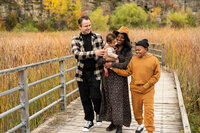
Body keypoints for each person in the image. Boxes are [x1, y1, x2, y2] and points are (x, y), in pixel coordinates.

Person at [110, 39, 161, 133]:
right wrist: (113, 68)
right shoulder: (133, 59)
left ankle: (150, 130)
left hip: (148, 90)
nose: (137, 52)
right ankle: (140, 124)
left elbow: (157, 75)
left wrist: (147, 85)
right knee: (137, 111)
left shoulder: (154, 60)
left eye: (139, 50)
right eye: (136, 50)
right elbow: (127, 72)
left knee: (149, 111)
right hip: (135, 90)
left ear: (146, 49)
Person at [71, 15, 105, 132]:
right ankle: (89, 120)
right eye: (86, 26)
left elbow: (105, 51)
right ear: (79, 27)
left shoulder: (98, 37)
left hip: (96, 72)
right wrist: (95, 53)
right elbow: (77, 54)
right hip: (82, 74)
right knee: (85, 98)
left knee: (96, 95)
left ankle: (98, 113)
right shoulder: (75, 40)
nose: (88, 28)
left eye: (89, 25)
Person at [99, 26, 132, 133]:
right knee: (109, 99)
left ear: (126, 39)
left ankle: (119, 125)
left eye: (122, 37)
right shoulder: (110, 46)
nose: (119, 39)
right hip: (107, 78)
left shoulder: (128, 51)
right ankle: (113, 122)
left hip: (119, 79)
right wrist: (106, 62)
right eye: (118, 36)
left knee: (118, 101)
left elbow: (126, 64)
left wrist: (112, 64)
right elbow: (99, 60)